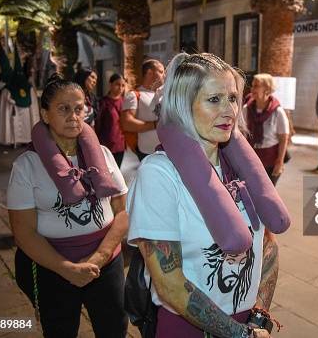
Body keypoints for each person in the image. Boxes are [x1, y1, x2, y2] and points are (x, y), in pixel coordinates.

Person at [127, 53, 288, 338]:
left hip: (248, 324)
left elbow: (269, 246)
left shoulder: (240, 168)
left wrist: (258, 318)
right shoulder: (159, 174)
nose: (230, 111)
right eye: (214, 99)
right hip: (187, 329)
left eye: (233, 98)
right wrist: (240, 335)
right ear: (183, 106)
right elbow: (170, 285)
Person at [6, 76, 129, 338]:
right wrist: (66, 268)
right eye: (63, 108)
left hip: (106, 263)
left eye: (79, 108)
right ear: (45, 114)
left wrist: (97, 258)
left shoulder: (104, 155)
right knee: (59, 331)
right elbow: (23, 232)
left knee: (114, 328)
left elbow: (122, 212)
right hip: (53, 269)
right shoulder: (27, 166)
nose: (73, 116)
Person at [244, 73, 290, 185]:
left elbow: (283, 138)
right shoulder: (246, 109)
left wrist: (280, 161)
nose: (252, 89)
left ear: (267, 90)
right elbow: (241, 133)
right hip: (252, 157)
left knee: (267, 192)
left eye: (256, 86)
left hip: (270, 159)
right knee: (252, 190)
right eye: (253, 85)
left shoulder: (277, 112)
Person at [121, 59, 164, 161]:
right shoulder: (134, 95)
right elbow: (126, 123)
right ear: (149, 72)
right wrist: (155, 125)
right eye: (161, 71)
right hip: (146, 154)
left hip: (164, 152)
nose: (164, 75)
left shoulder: (161, 94)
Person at [96, 73, 127, 166]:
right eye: (117, 84)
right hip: (106, 144)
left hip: (121, 144)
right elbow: (98, 124)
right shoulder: (103, 102)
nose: (120, 88)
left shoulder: (125, 102)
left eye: (123, 85)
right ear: (110, 84)